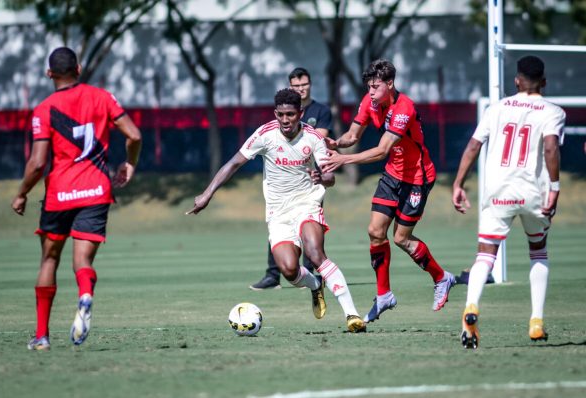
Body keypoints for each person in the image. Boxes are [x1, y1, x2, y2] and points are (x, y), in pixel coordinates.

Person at [188, 88, 366, 333]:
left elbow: (331, 176)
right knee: (289, 269)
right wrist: (207, 194)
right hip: (278, 213)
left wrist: (322, 178)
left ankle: (352, 315)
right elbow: (234, 163)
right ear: (275, 113)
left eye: (290, 114)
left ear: (299, 113)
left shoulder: (313, 137)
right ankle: (316, 286)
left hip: (307, 203)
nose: (285, 120)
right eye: (281, 114)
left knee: (315, 253)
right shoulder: (265, 134)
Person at [12, 47, 142, 351]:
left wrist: (21, 194)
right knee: (82, 261)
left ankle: (42, 336)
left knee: (49, 258)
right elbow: (134, 135)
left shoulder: (44, 109)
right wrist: (130, 163)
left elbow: (37, 162)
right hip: (96, 191)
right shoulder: (102, 97)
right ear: (79, 69)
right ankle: (85, 294)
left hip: (60, 194)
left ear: (49, 74)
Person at [321, 59, 456, 323]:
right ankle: (384, 295)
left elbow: (382, 149)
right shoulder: (369, 102)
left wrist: (342, 159)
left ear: (390, 84)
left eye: (375, 86)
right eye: (368, 87)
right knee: (374, 231)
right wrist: (336, 143)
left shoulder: (404, 108)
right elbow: (353, 135)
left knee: (402, 239)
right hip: (392, 176)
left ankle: (442, 278)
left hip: (417, 178)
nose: (370, 92)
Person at [452, 55, 565, 349]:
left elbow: (474, 145)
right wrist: (554, 187)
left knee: (485, 255)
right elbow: (551, 146)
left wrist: (458, 183)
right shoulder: (553, 111)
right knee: (538, 251)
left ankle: (471, 307)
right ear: (544, 82)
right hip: (533, 193)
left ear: (516, 81)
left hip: (498, 192)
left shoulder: (496, 108)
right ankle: (536, 321)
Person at [250, 67, 334, 291]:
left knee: (310, 235)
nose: (301, 88)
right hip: (282, 180)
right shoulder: (281, 115)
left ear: (310, 84)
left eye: (304, 84)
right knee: (279, 228)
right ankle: (273, 275)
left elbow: (319, 139)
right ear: (290, 87)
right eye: (296, 86)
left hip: (310, 180)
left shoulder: (321, 111)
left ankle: (313, 275)